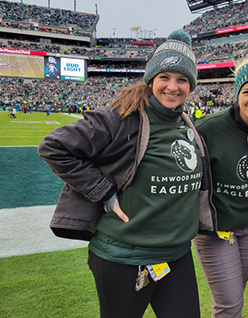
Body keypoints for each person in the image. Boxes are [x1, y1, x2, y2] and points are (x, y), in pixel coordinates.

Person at [38, 30, 215, 318]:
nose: (173, 87)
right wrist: (103, 191)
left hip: (176, 256)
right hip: (124, 257)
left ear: (191, 85)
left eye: (182, 79)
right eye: (165, 77)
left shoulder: (186, 123)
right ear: (151, 79)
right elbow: (54, 147)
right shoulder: (120, 117)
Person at [193, 58, 248, 317]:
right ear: (237, 94)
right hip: (215, 229)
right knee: (229, 302)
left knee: (234, 294)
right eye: (247, 92)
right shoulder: (209, 128)